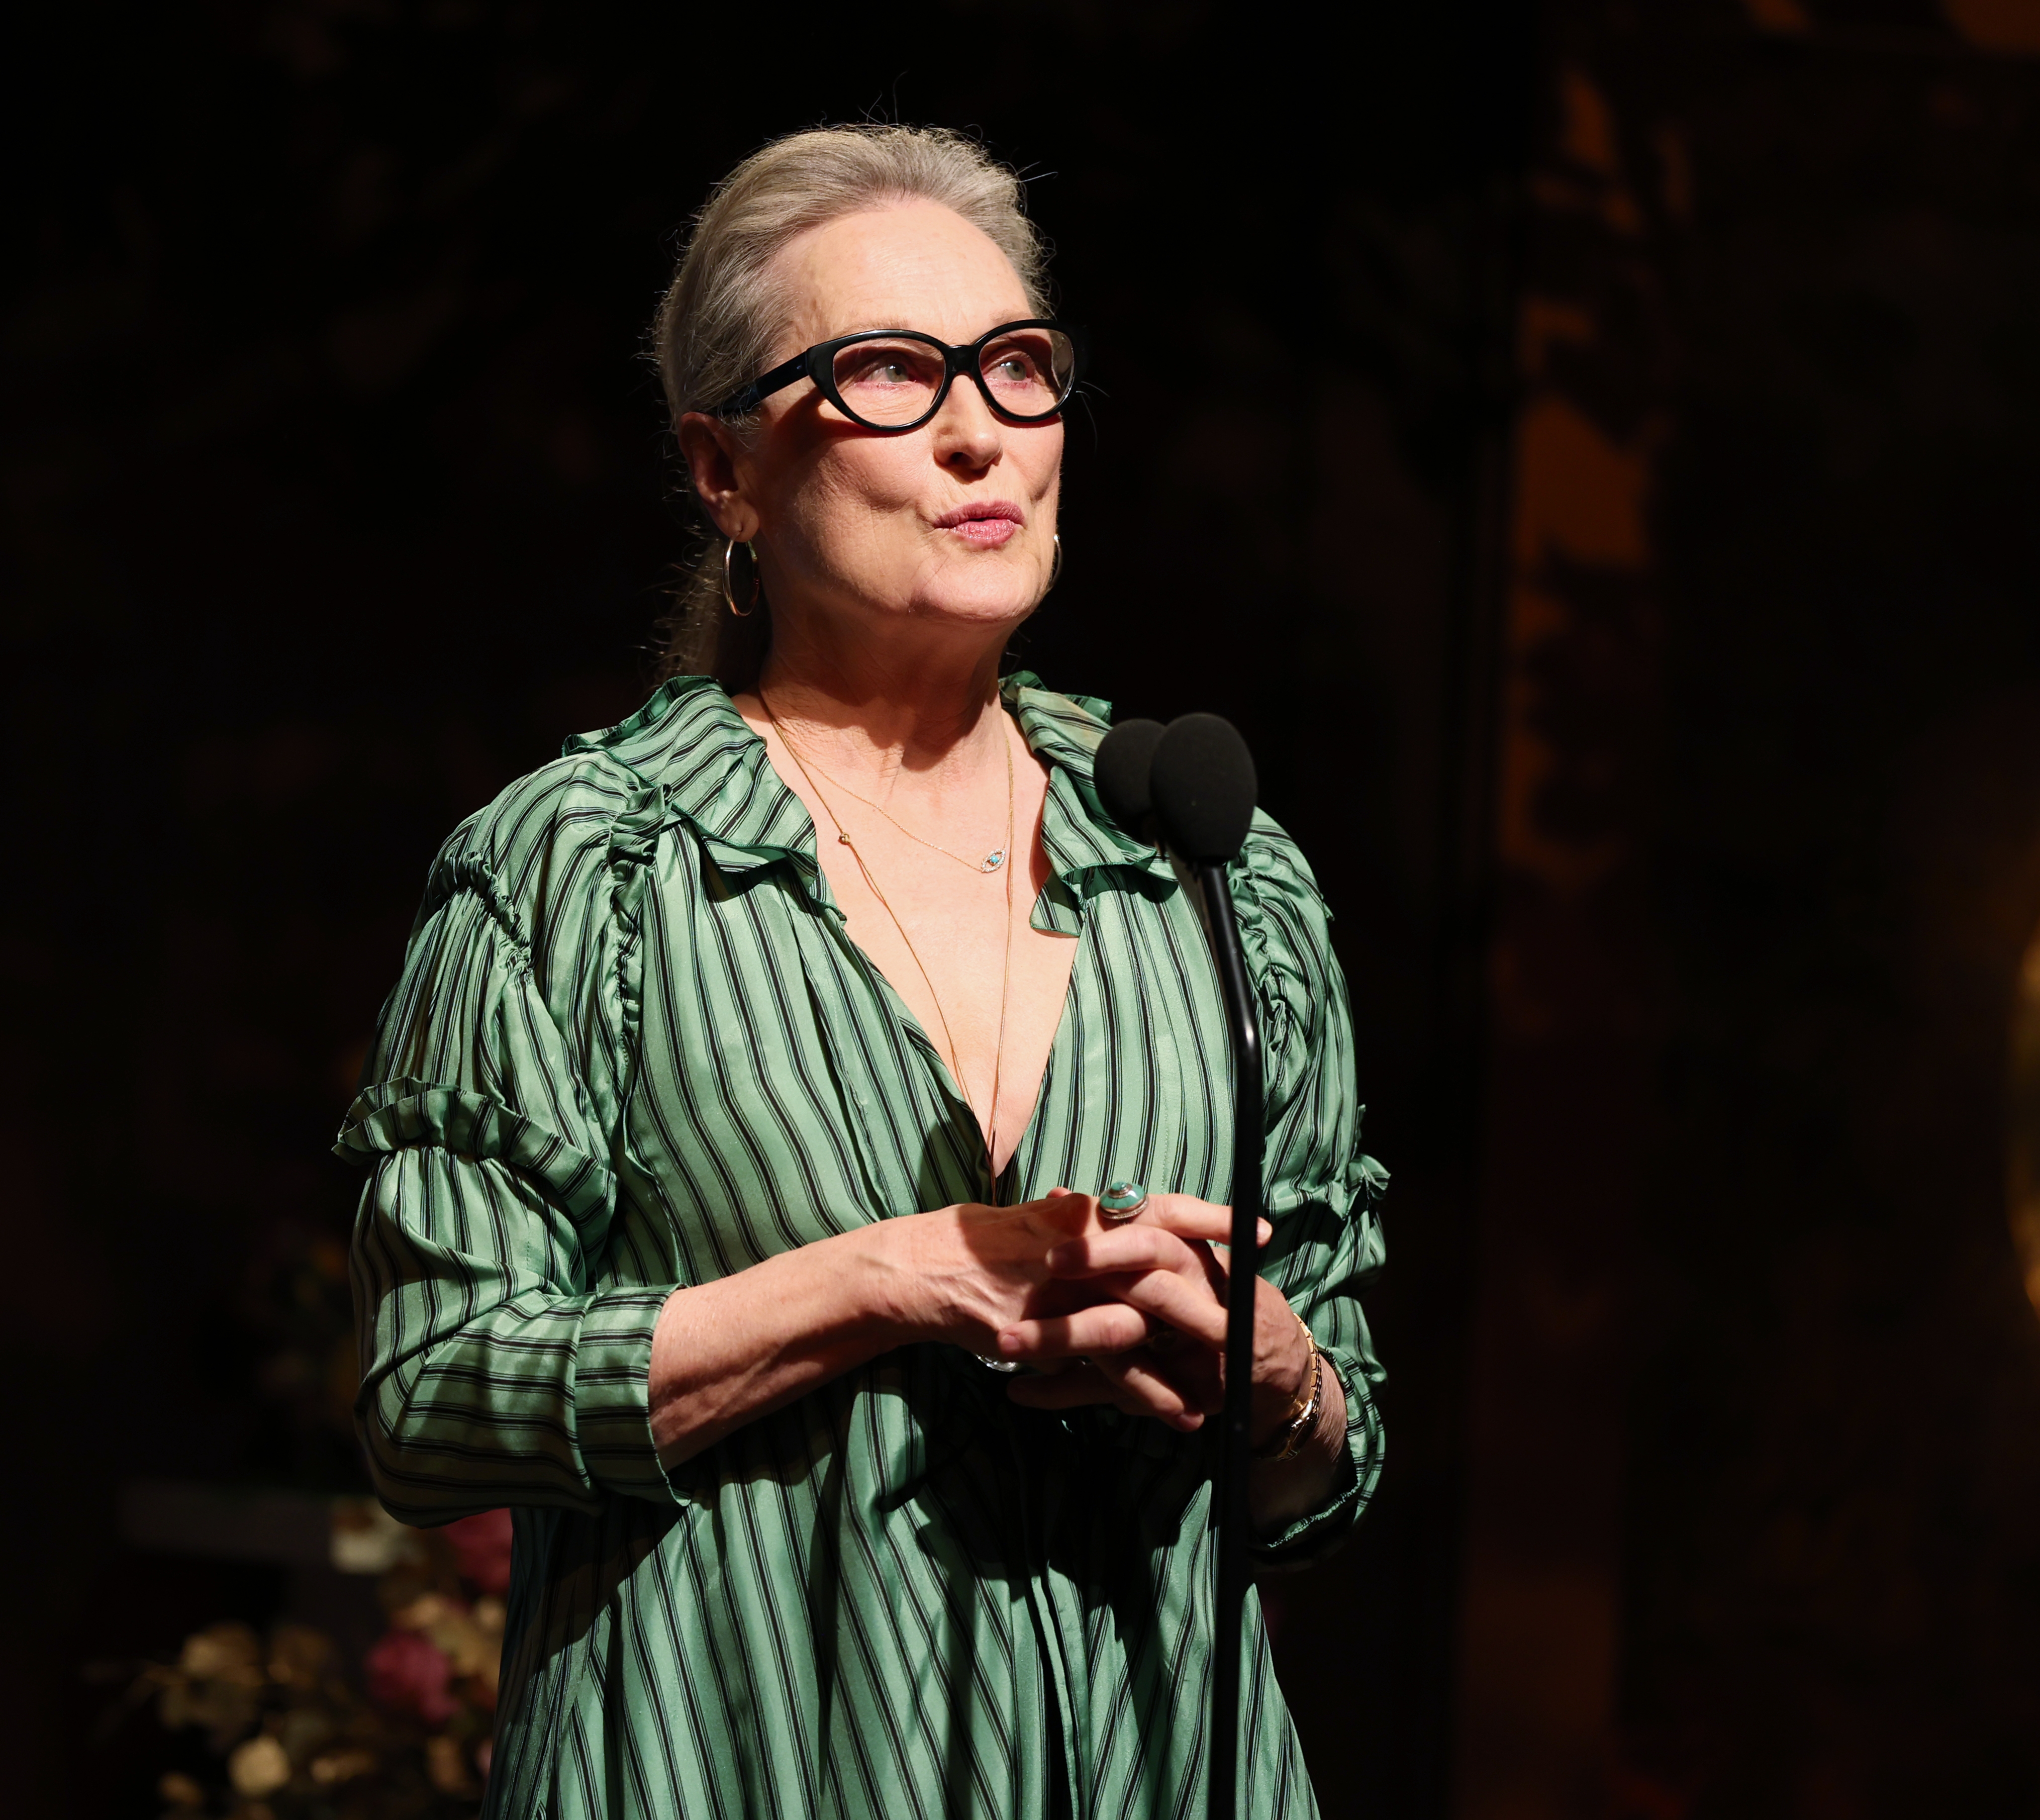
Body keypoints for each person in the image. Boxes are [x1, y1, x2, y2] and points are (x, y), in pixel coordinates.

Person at [343, 123, 1386, 1819]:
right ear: (724, 470)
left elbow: (1334, 1471)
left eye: (1017, 367)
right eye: (889, 373)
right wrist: (887, 1282)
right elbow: (430, 1401)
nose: (980, 431)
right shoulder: (589, 866)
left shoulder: (1216, 874)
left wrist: (1273, 1377)